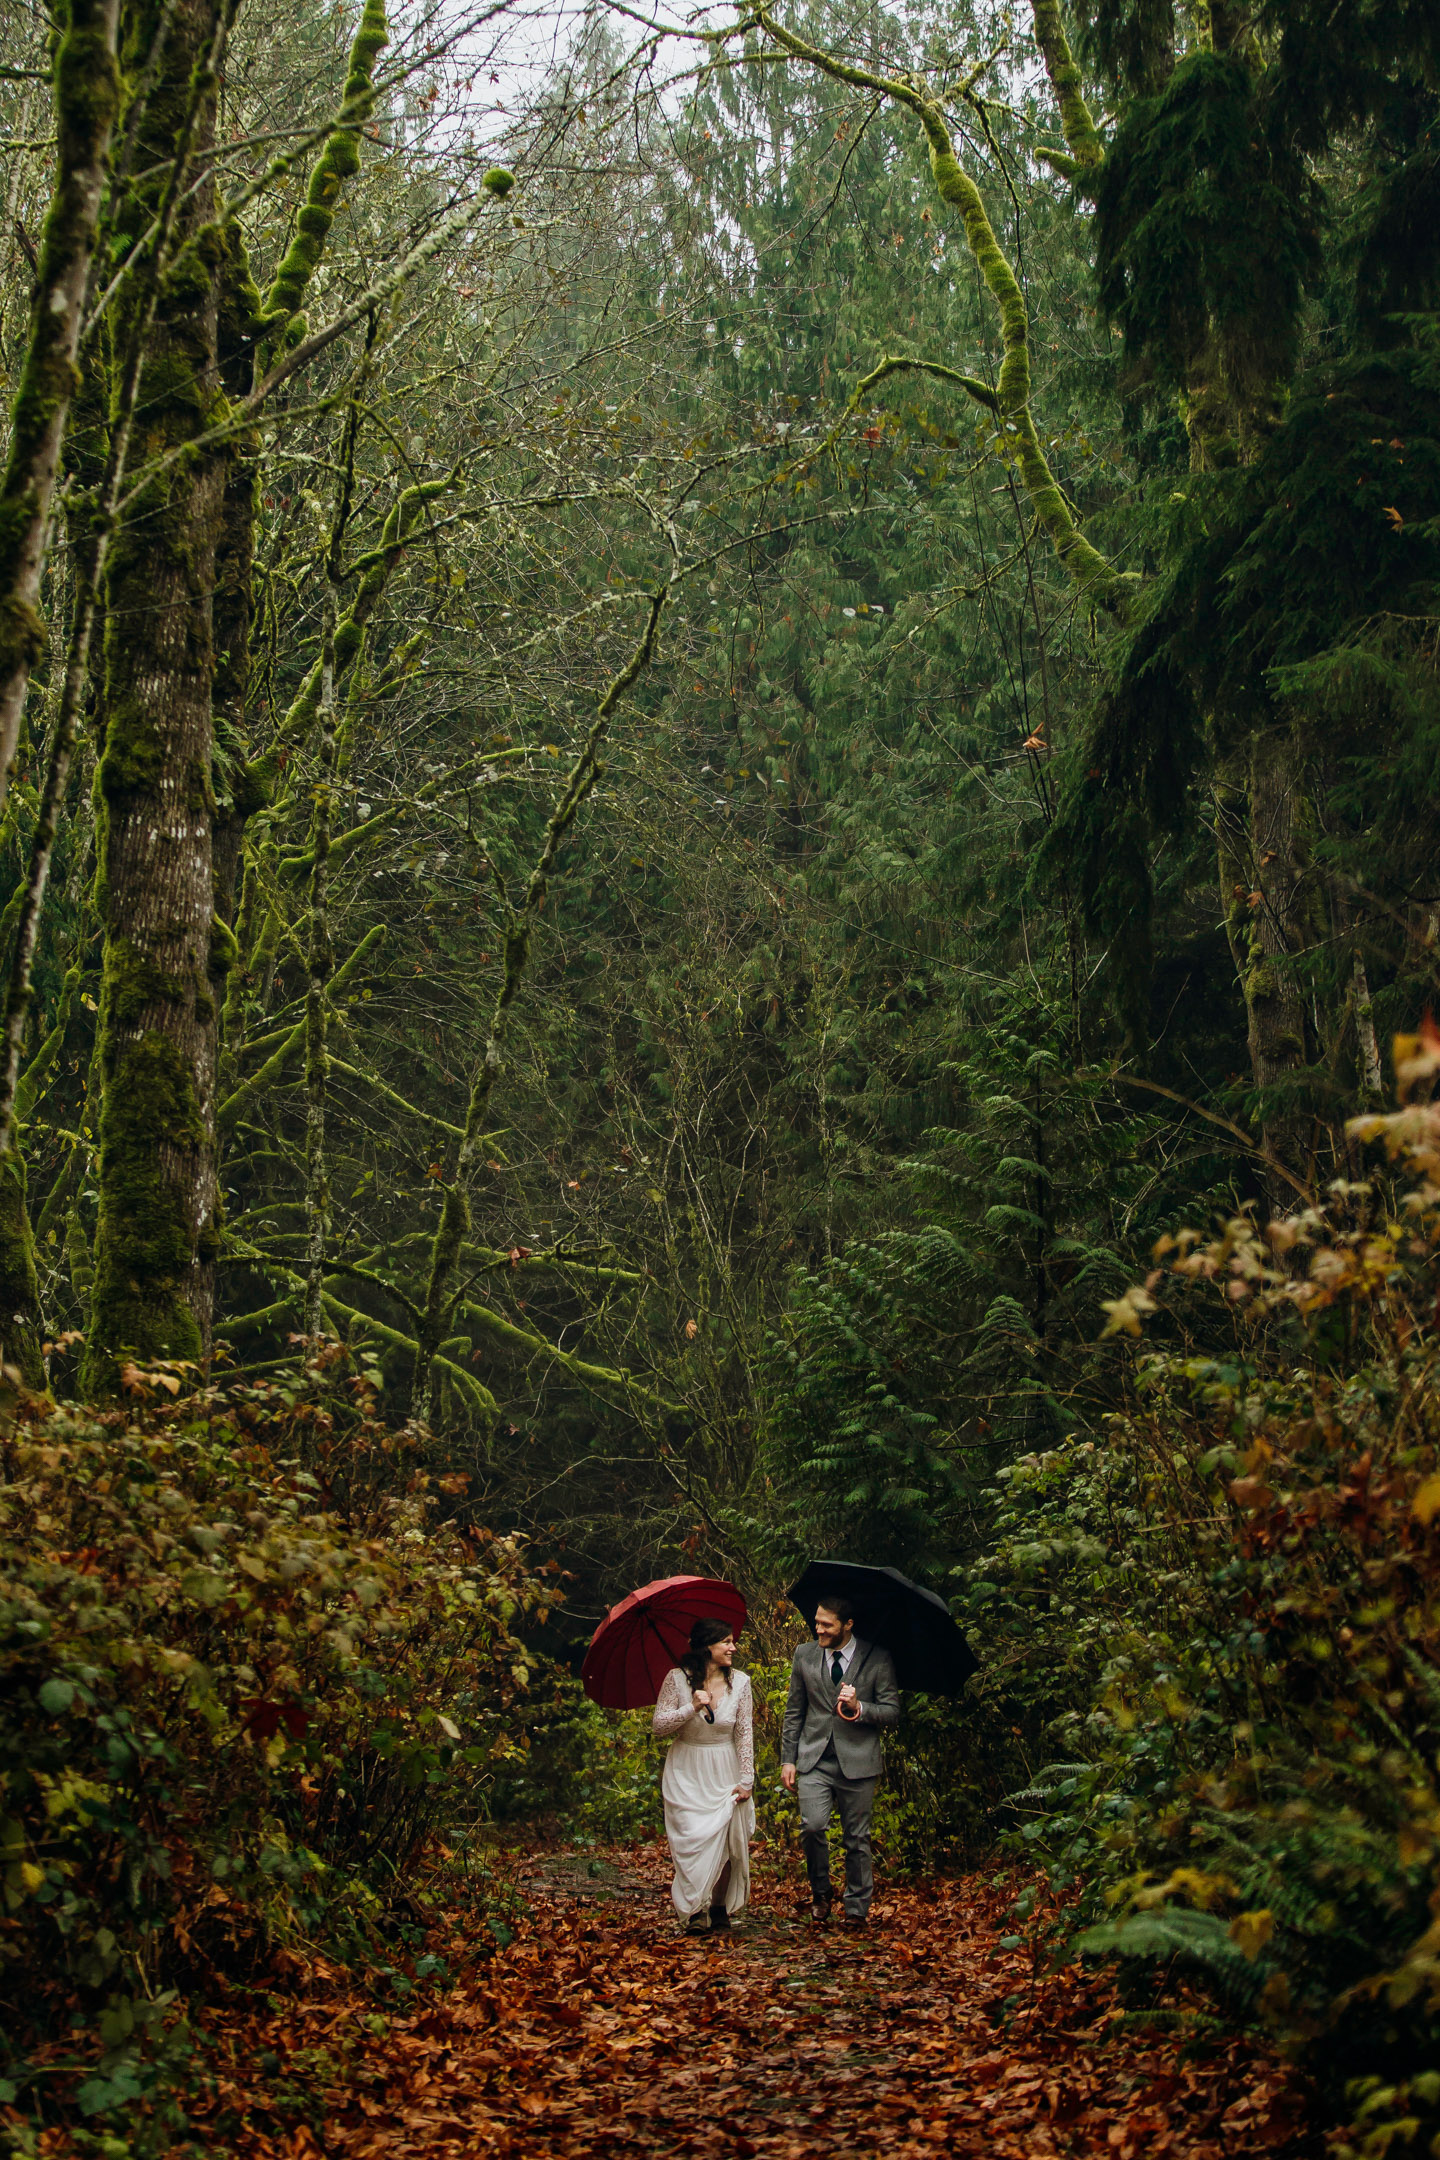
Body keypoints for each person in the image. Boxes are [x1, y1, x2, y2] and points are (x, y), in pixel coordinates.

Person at [781, 1594, 899, 1928]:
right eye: (816, 1621)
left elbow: (892, 1711)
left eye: (826, 1624)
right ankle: (821, 1893)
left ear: (847, 1625)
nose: (818, 1628)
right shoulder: (804, 1654)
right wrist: (787, 1760)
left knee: (856, 1839)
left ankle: (856, 1910)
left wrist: (860, 1708)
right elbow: (794, 1712)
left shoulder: (877, 1658)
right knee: (813, 1826)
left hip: (858, 1761)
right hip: (813, 1758)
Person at [652, 1616, 755, 1934]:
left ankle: (719, 1907)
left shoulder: (741, 1682)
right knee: (692, 1838)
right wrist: (691, 1707)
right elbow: (658, 1726)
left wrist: (747, 1779)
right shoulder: (676, 1679)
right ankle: (695, 1909)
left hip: (723, 1765)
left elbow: (744, 1734)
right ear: (707, 1647)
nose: (732, 1647)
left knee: (723, 1836)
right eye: (725, 1641)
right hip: (687, 1768)